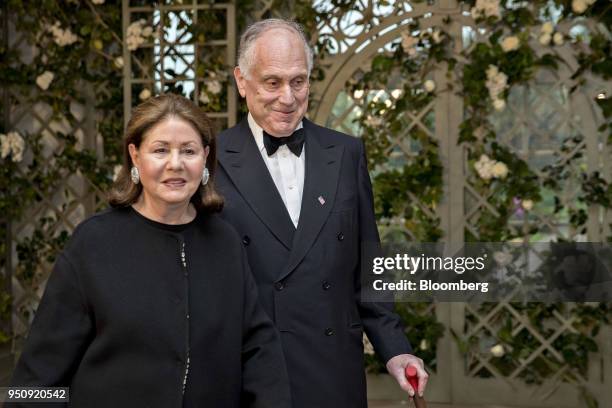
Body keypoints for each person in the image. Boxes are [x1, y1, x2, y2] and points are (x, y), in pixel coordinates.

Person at [9, 94, 291, 408]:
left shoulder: (224, 242)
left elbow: (259, 352)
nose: (176, 163)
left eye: (189, 150)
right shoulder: (93, 244)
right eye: (160, 150)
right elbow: (33, 385)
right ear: (135, 156)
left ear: (206, 157)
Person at [215, 18, 428, 408]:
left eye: (299, 81)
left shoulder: (346, 153)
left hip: (334, 371)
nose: (288, 97)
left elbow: (370, 266)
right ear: (242, 81)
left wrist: (396, 350)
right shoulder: (211, 159)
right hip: (250, 373)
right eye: (272, 82)